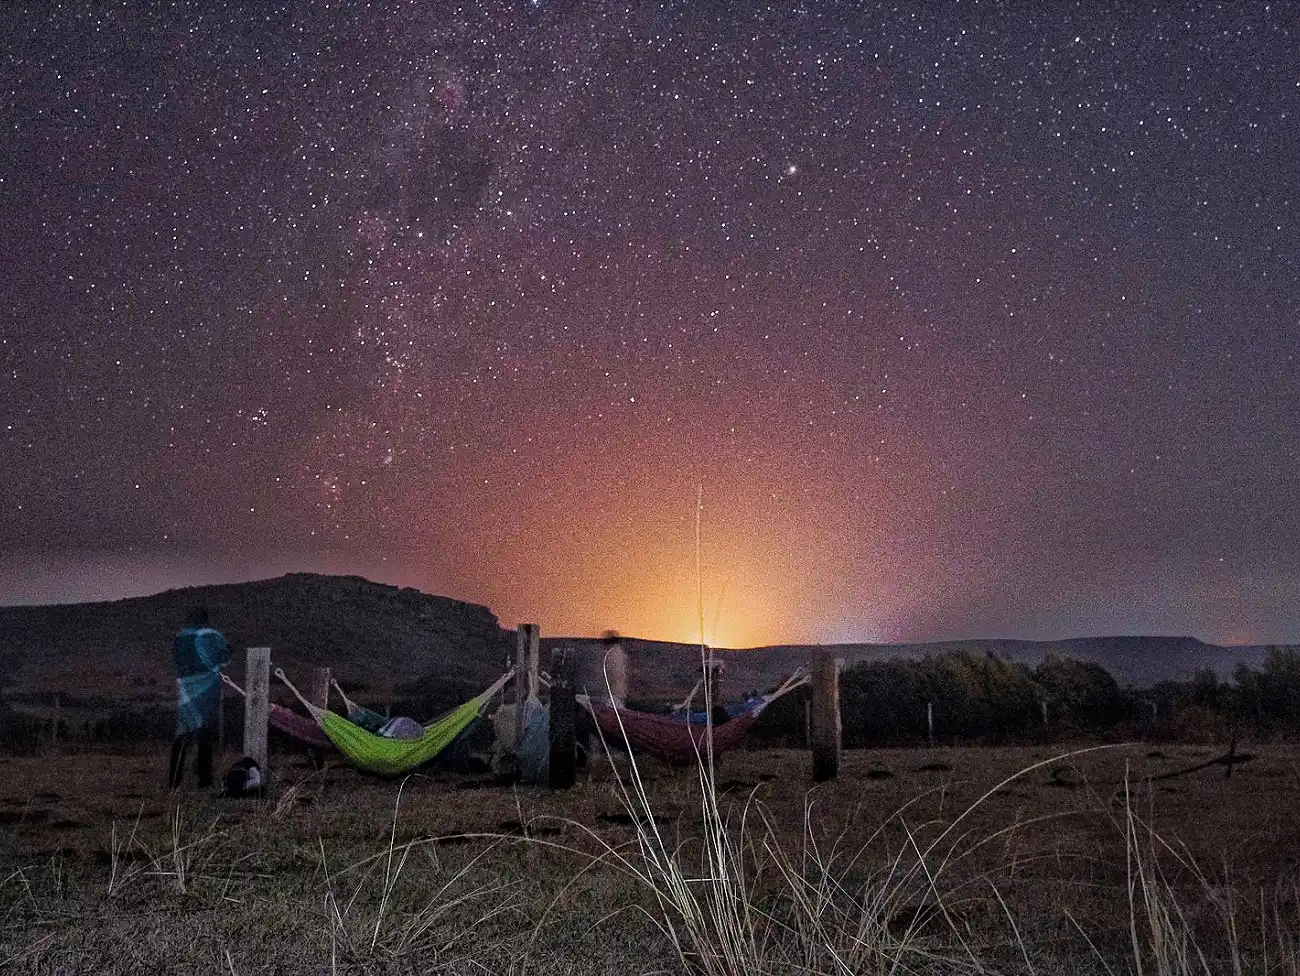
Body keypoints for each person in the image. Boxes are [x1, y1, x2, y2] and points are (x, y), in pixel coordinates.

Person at [168, 606, 231, 789]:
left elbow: (177, 662)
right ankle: (204, 780)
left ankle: (174, 781)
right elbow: (221, 658)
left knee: (183, 734)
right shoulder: (210, 635)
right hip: (207, 688)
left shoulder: (179, 638)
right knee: (205, 732)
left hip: (185, 689)